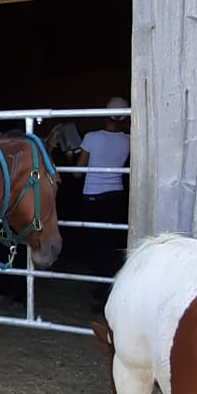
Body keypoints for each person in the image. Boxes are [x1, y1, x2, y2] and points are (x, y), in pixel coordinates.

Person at [77, 96, 130, 317]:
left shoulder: (92, 137)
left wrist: (71, 155)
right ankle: (112, 291)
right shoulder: (128, 140)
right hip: (116, 195)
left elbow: (78, 171)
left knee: (97, 247)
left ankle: (101, 296)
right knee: (111, 245)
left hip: (93, 196)